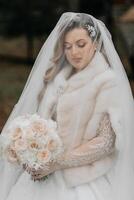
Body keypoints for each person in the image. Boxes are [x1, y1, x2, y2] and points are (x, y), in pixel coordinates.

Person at [0, 12, 134, 200]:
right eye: (68, 47)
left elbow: (106, 142)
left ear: (95, 44)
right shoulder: (58, 80)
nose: (74, 52)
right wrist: (32, 153)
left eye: (81, 44)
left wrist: (57, 162)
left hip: (83, 178)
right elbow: (44, 125)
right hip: (46, 174)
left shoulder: (107, 83)